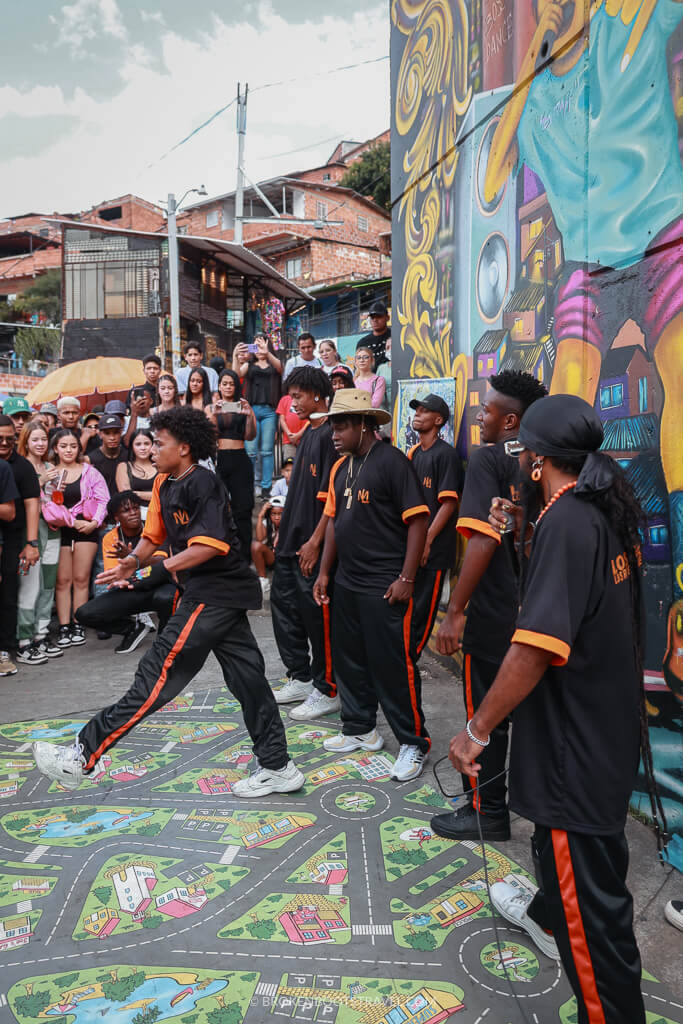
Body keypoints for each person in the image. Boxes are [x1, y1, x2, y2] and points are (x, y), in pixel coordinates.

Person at [449, 394, 666, 1024]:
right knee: (597, 906)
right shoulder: (588, 510)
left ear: (538, 460)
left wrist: (476, 729)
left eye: (522, 454)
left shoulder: (569, 524)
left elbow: (535, 648)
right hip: (600, 740)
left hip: (575, 757)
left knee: (588, 933)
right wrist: (523, 526)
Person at [33, 407, 305, 799]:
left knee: (156, 673)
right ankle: (278, 766)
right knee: (249, 681)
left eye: (160, 443)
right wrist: (131, 561)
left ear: (185, 447)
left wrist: (159, 569)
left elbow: (210, 545)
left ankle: (82, 755)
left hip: (212, 594)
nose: (152, 449)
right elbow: (152, 537)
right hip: (210, 596)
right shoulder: (163, 482)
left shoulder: (205, 483)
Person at [432, 370, 547, 842]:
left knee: (485, 717)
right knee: (537, 720)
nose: (480, 415)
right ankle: (539, 816)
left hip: (496, 612)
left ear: (512, 420)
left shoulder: (486, 460)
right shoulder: (548, 460)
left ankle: (486, 812)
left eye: (488, 410)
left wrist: (455, 609)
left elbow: (482, 539)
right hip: (540, 616)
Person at [313, 389, 431, 781]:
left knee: (393, 666)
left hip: (385, 584)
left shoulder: (392, 462)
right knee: (350, 661)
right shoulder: (341, 466)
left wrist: (406, 578)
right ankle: (360, 729)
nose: (334, 432)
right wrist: (326, 572)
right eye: (332, 424)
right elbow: (333, 522)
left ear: (365, 424)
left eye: (342, 424)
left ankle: (414, 743)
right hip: (347, 581)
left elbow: (418, 522)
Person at [271, 366, 341, 721]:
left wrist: (315, 543)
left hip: (311, 547)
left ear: (317, 395)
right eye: (291, 396)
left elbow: (331, 503)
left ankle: (327, 687)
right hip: (289, 543)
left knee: (318, 619)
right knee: (284, 612)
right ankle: (299, 675)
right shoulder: (307, 435)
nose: (292, 403)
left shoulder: (330, 435)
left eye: (297, 396)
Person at [76, 491, 173, 654]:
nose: (133, 513)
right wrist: (129, 568)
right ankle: (132, 628)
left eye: (135, 508)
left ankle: (166, 638)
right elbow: (116, 574)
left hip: (160, 586)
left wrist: (132, 557)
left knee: (167, 597)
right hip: (132, 589)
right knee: (84, 614)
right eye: (126, 510)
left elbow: (161, 563)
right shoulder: (111, 538)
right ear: (116, 517)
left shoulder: (153, 528)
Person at [408, 394, 463, 659]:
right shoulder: (414, 453)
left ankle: (409, 662)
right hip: (413, 546)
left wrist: (427, 540)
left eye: (424, 411)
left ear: (438, 420)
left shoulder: (446, 455)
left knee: (423, 612)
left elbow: (449, 504)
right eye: (416, 410)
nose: (417, 414)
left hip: (435, 548)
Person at [43, 429, 109, 648]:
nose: (68, 450)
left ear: (79, 448)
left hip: (86, 531)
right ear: (55, 449)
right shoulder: (51, 474)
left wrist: (94, 523)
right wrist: (70, 519)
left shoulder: (90, 471)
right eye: (63, 446)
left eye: (73, 446)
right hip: (60, 531)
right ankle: (63, 626)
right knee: (62, 581)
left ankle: (78, 622)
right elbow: (47, 506)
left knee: (81, 579)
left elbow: (103, 499)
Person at [15, 422, 62, 664]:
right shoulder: (19, 467)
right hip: (30, 534)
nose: (40, 444)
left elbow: (55, 500)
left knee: (48, 585)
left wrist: (57, 489)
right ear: (25, 441)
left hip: (53, 531)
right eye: (35, 439)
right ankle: (24, 641)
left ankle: (41, 635)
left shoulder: (49, 466)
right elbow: (22, 502)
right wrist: (41, 480)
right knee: (29, 586)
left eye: (43, 439)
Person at [0, 415, 40, 677]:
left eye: (9, 439)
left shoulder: (21, 466)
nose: (4, 442)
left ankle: (5, 650)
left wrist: (31, 543)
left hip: (12, 538)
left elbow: (32, 503)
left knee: (7, 596)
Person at [208, 369, 256, 557]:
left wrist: (249, 414)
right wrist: (214, 413)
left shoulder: (243, 405)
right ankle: (222, 551)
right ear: (219, 386)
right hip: (220, 458)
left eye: (232, 384)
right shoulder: (211, 407)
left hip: (240, 457)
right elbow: (210, 436)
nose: (228, 387)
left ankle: (244, 555)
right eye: (224, 383)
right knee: (218, 506)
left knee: (243, 508)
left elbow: (250, 435)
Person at [233, 334, 282, 500]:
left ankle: (267, 487)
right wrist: (235, 355)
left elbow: (281, 368)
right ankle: (252, 484)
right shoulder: (249, 365)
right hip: (252, 410)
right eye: (256, 346)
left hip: (269, 411)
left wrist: (267, 352)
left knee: (267, 451)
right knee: (251, 451)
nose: (259, 348)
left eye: (262, 344)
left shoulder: (273, 362)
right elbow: (235, 374)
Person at [115, 429, 157, 520]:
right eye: (138, 444)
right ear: (132, 447)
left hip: (161, 514)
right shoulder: (123, 467)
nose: (143, 448)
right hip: (135, 517)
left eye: (147, 444)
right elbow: (126, 495)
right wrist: (155, 495)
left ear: (153, 445)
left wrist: (137, 493)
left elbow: (167, 495)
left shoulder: (161, 465)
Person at [88, 414, 128, 497]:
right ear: (100, 434)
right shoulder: (91, 459)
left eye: (116, 433)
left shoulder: (128, 456)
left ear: (121, 433)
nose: (112, 437)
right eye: (107, 433)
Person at [251, 496, 284, 591]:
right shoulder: (267, 523)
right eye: (273, 514)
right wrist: (261, 515)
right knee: (255, 546)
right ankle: (263, 580)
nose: (277, 517)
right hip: (272, 557)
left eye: (280, 514)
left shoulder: (290, 523)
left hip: (285, 558)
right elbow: (260, 539)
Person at [357, 299, 390, 369]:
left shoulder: (396, 337)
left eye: (379, 316)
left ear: (387, 318)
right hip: (369, 379)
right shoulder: (362, 343)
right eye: (372, 317)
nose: (375, 320)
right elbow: (358, 369)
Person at [276, 391, 308, 461]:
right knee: (289, 464)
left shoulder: (307, 398)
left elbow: (310, 420)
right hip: (288, 441)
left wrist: (298, 435)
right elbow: (282, 419)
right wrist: (289, 435)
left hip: (305, 440)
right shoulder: (284, 399)